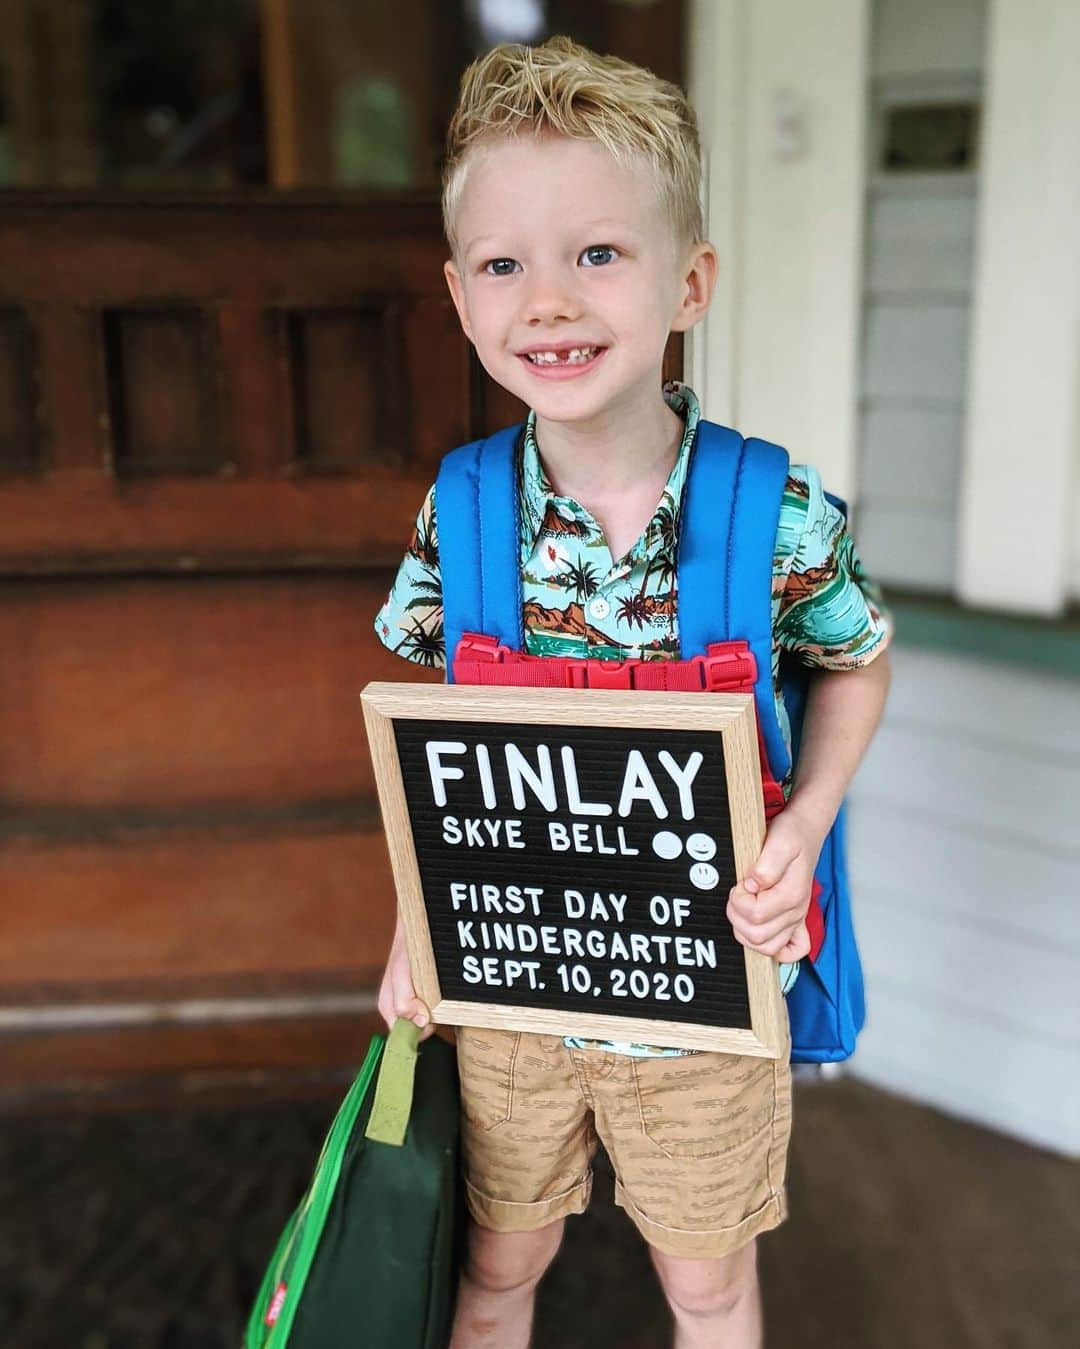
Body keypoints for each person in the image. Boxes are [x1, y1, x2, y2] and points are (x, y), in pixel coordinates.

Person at [373, 36, 892, 1349]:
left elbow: (857, 657)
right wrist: (418, 923)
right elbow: (443, 753)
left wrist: (808, 821)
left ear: (690, 281)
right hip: (514, 988)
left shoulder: (772, 512)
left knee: (708, 1286)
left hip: (706, 985)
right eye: (504, 264)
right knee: (497, 1267)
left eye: (596, 253)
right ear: (458, 294)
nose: (547, 301)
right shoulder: (465, 513)